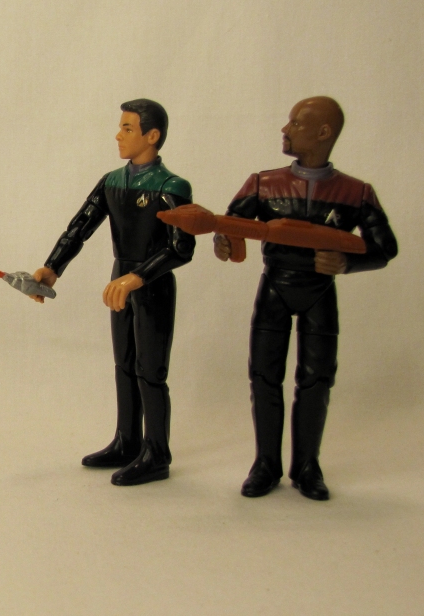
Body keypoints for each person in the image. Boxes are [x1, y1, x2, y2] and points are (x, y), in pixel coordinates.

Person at [214, 96, 398, 500]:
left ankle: (307, 466)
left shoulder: (356, 193)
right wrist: (224, 242)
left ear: (323, 133)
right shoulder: (263, 183)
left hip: (319, 293)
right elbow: (231, 224)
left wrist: (347, 263)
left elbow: (385, 247)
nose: (285, 129)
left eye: (296, 123)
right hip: (274, 288)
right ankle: (266, 464)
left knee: (317, 379)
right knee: (264, 376)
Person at [32, 99, 195, 485]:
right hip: (119, 278)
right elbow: (79, 227)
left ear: (152, 136)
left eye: (127, 128)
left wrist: (137, 277)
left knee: (150, 371)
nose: (118, 135)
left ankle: (157, 452)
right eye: (120, 127)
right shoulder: (112, 182)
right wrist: (53, 267)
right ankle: (127, 440)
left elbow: (181, 248)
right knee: (124, 363)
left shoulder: (172, 186)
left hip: (151, 283)